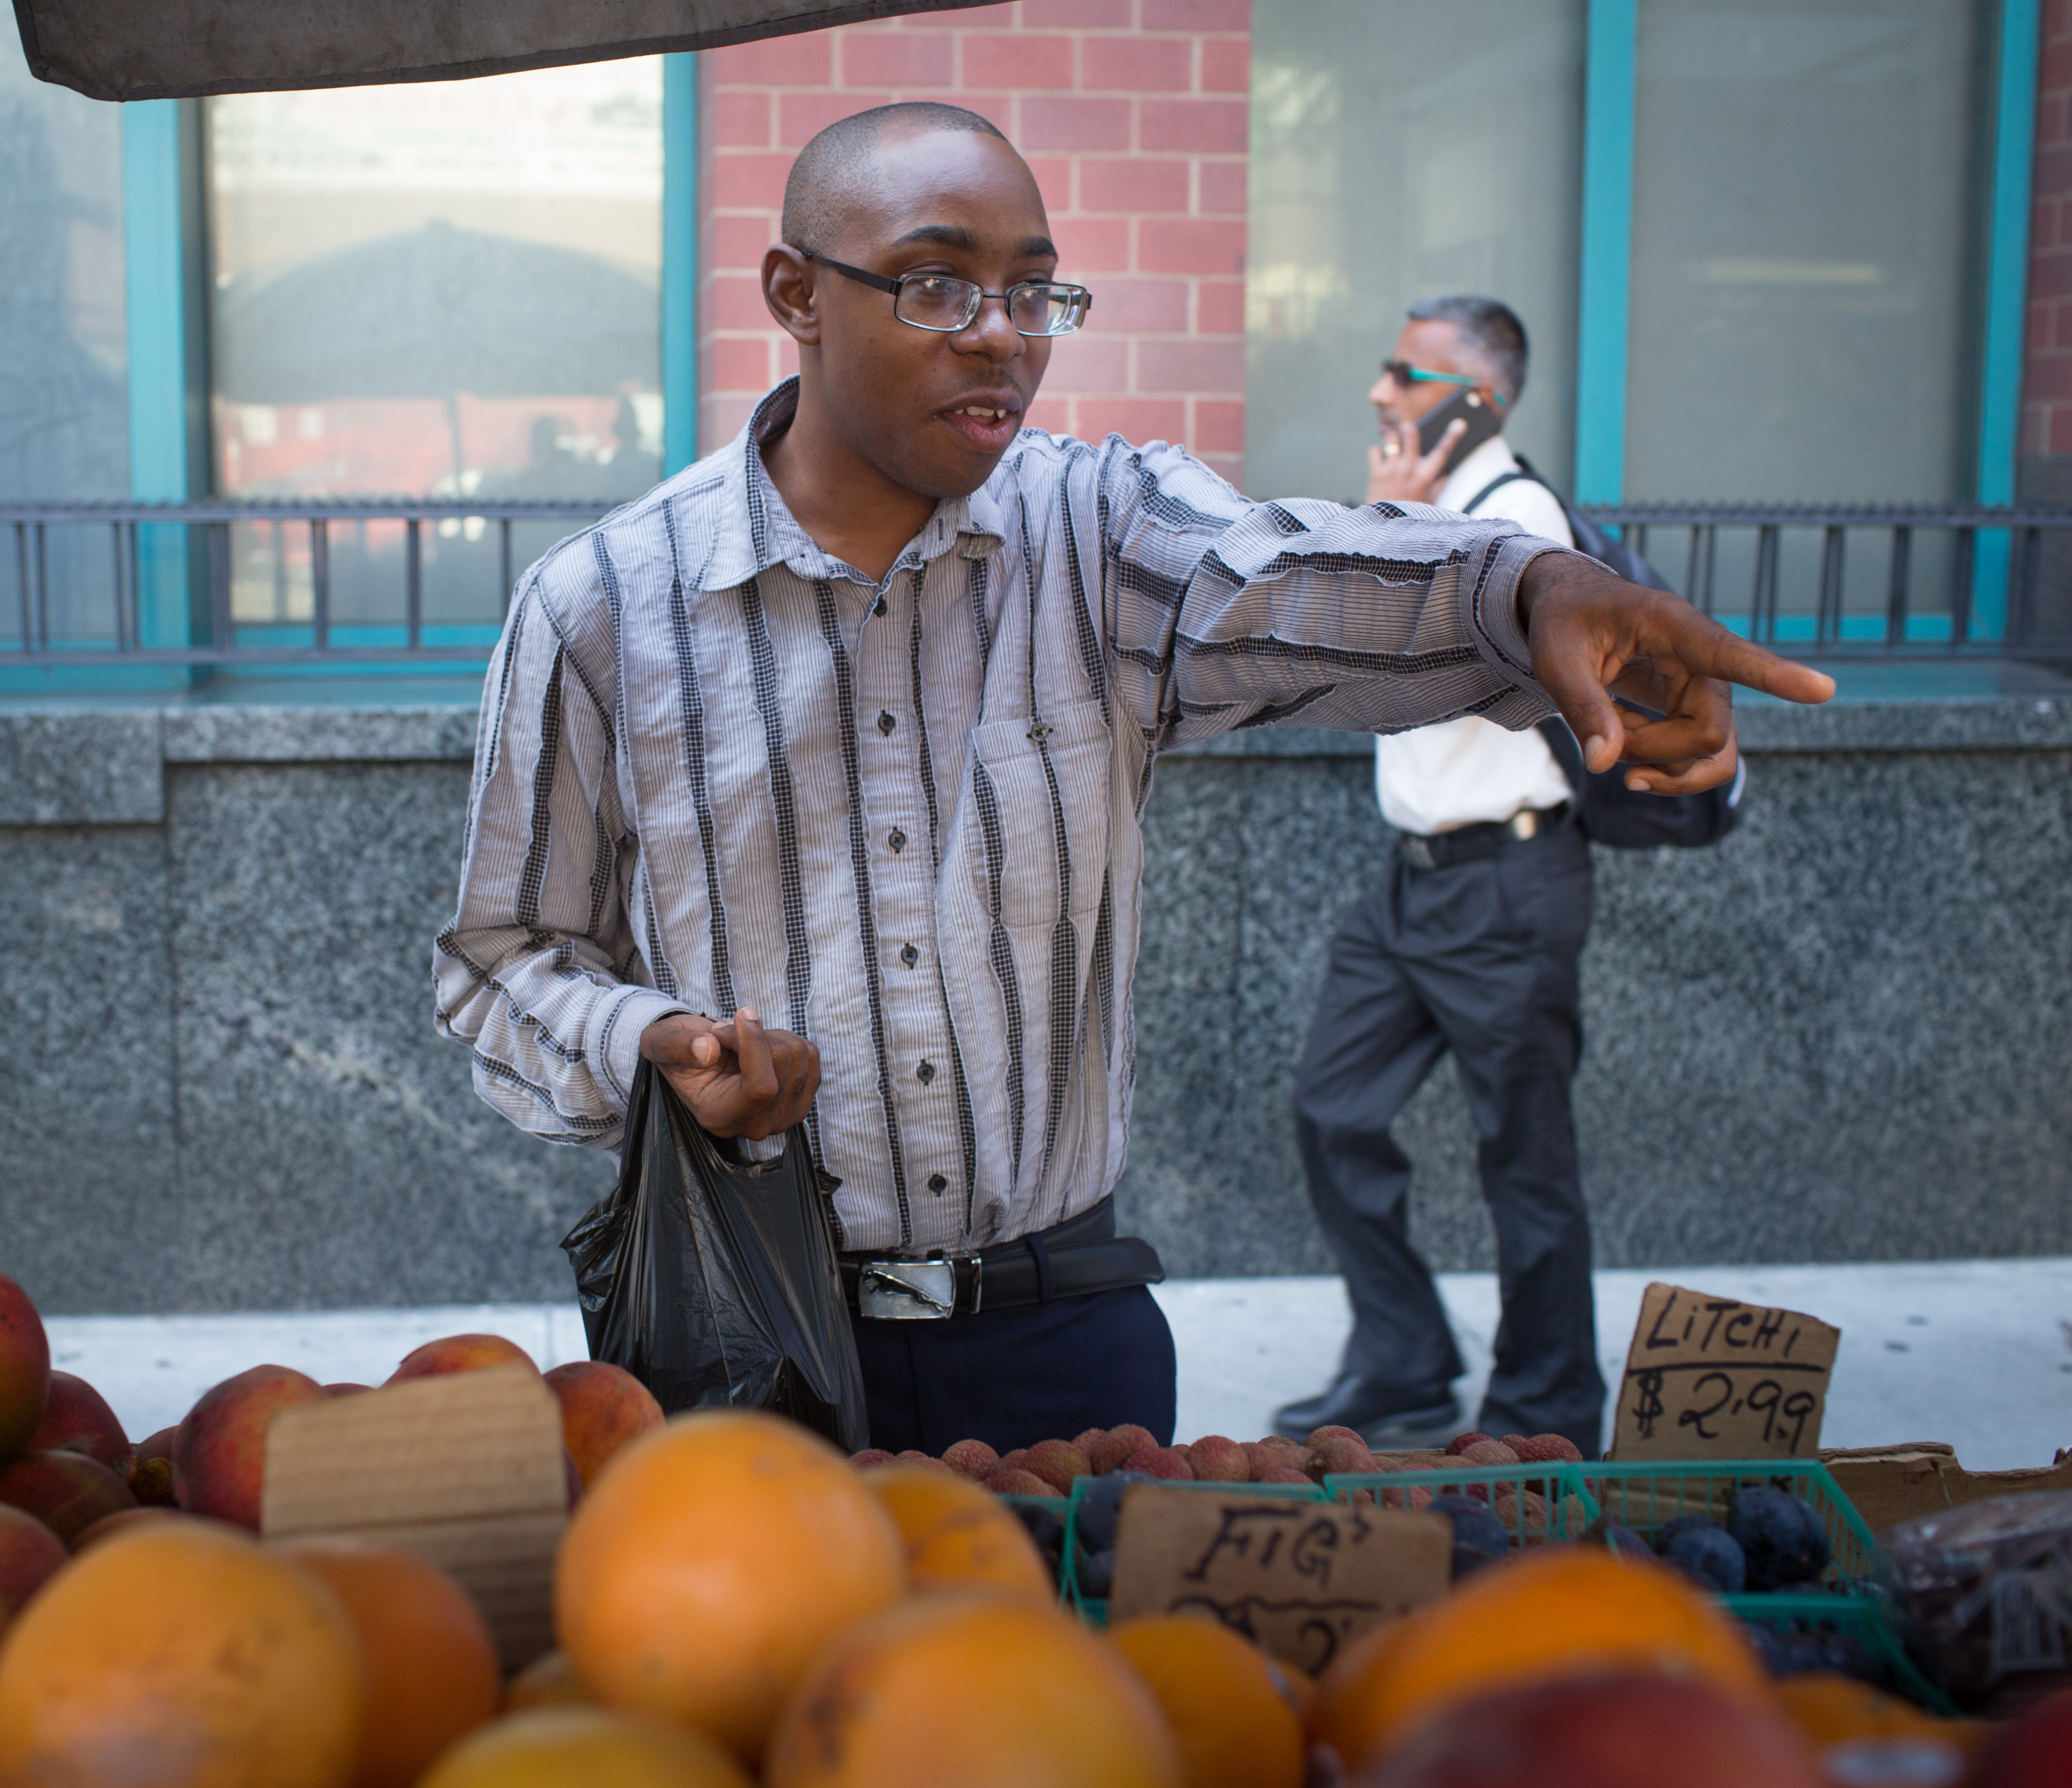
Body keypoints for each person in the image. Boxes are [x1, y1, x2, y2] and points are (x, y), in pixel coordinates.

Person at [432, 105, 1831, 1458]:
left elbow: (1298, 577)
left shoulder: (1101, 533)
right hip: (735, 1346)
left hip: (1065, 1346)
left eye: (1034, 293)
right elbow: (500, 961)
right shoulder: (602, 606)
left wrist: (1534, 591)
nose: (997, 333)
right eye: (934, 284)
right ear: (794, 292)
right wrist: (655, 1051)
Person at [1272, 296, 1611, 1456]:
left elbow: (1472, 656)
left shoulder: (1518, 520)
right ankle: (1405, 1357)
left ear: (1478, 398)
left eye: (1404, 373)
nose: (1380, 393)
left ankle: (1549, 1409)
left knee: (1524, 1155)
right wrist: (1394, 531)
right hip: (1410, 885)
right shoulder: (1433, 510)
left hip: (1507, 882)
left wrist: (1396, 538)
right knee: (1331, 1108)